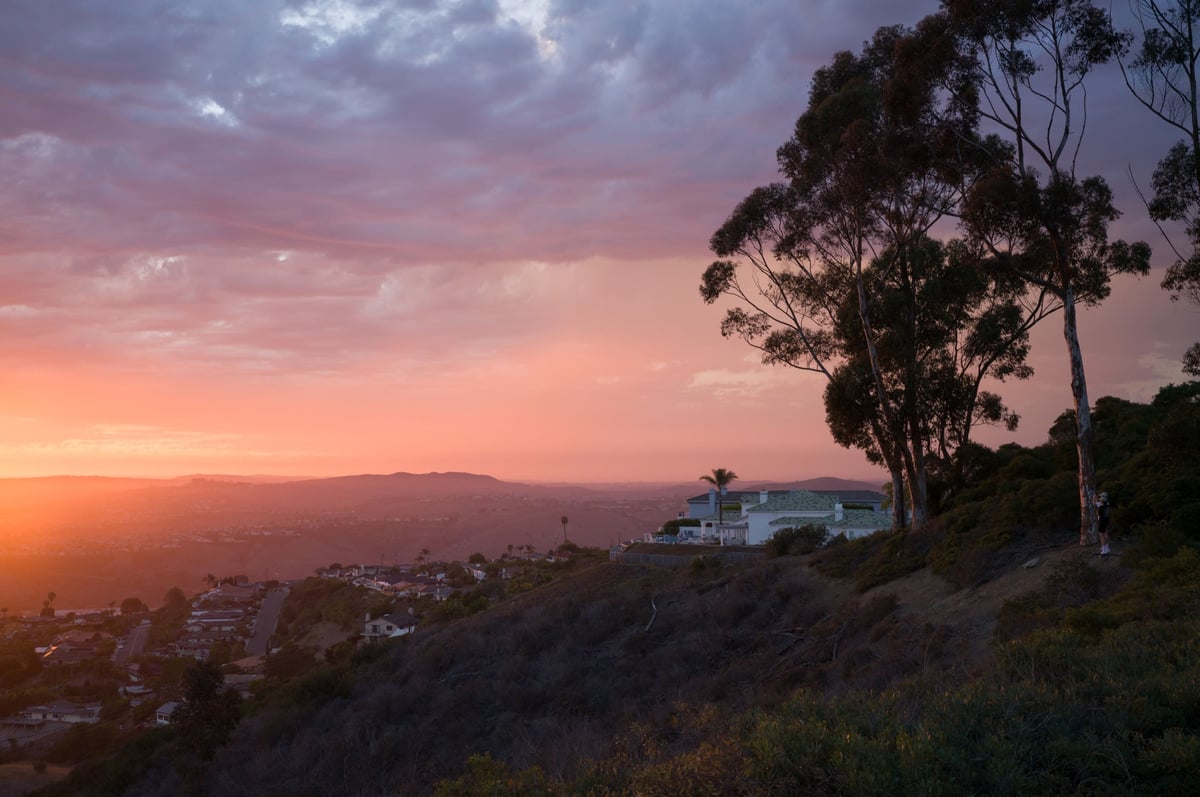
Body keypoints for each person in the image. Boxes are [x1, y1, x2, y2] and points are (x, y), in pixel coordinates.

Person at [1097, 491, 1112, 555]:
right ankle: (1107, 547)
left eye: (1101, 496)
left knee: (1101, 535)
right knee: (1106, 533)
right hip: (1107, 520)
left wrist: (1094, 497)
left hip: (1102, 520)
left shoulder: (1101, 504)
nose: (1100, 497)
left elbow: (1094, 503)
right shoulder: (1107, 504)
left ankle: (1104, 550)